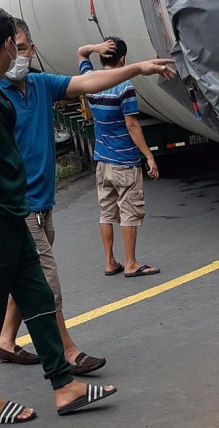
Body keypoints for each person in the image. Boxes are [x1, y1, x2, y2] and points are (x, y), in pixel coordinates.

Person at [0, 6, 123, 422]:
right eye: (15, 45)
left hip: (11, 215)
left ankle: (64, 386)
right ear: (5, 45)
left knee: (38, 297)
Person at [0, 19, 173, 375]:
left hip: (43, 205)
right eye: (10, 48)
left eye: (23, 47)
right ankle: (67, 352)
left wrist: (139, 67)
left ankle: (5, 340)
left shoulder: (42, 85)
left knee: (25, 275)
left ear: (33, 50)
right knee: (45, 282)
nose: (17, 55)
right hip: (18, 207)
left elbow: (89, 82)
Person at [78, 37, 162, 279]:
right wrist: (149, 156)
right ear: (123, 60)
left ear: (102, 56)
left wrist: (94, 47)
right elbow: (132, 126)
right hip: (124, 161)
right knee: (129, 212)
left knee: (106, 212)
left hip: (102, 161)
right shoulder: (124, 87)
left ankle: (109, 262)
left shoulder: (90, 80)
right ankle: (131, 263)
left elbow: (81, 53)